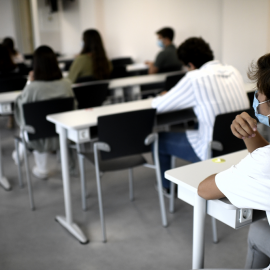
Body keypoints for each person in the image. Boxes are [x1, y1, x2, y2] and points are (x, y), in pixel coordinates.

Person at [197, 53, 270, 269]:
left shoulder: (263, 163)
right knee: (259, 229)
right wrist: (250, 135)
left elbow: (205, 189)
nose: (256, 96)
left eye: (260, 93)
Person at [152, 37, 250, 194]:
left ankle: (167, 188)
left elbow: (158, 106)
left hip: (212, 151)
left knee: (160, 140)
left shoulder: (194, 77)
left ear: (190, 64)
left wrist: (164, 95)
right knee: (201, 122)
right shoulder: (233, 70)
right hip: (240, 145)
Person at [13, 45, 75, 179]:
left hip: (39, 136)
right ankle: (19, 155)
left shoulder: (32, 88)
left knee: (30, 125)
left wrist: (29, 82)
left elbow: (21, 109)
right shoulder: (66, 84)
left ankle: (38, 167)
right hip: (63, 133)